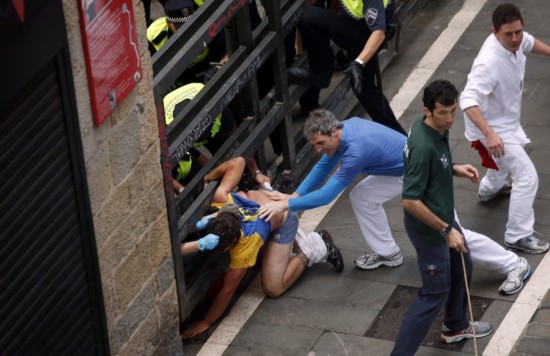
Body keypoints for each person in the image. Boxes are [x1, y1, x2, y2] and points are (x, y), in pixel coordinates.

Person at [258, 108, 531, 296]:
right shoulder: (343, 130)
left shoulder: (356, 148)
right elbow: (321, 166)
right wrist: (294, 196)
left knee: (452, 232)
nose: (318, 149)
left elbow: (329, 194)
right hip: (404, 171)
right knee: (362, 195)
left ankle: (513, 264)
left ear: (333, 131)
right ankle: (388, 253)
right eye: (314, 145)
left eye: (320, 143)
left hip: (422, 177)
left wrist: (286, 205)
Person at [180, 156, 344, 339]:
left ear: (233, 244)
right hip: (266, 200)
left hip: (284, 219)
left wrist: (206, 321)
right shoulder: (221, 200)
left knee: (273, 287)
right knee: (260, 261)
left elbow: (228, 290)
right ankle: (280, 247)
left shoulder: (245, 246)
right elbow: (238, 162)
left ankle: (314, 246)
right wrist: (207, 178)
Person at [391, 80, 493, 355]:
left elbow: (437, 165)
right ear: (427, 111)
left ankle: (455, 326)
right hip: (431, 229)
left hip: (444, 217)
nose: (450, 119)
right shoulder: (422, 146)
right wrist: (447, 231)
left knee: (463, 264)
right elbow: (410, 200)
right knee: (434, 295)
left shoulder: (436, 128)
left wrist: (455, 168)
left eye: (452, 111)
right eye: (443, 113)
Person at [460, 3, 550, 254]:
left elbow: (529, 42)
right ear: (494, 32)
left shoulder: (518, 39)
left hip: (506, 121)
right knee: (526, 175)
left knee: (502, 163)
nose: (515, 39)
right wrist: (490, 134)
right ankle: (517, 235)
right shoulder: (488, 63)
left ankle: (488, 191)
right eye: (508, 35)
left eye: (518, 32)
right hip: (492, 127)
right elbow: (467, 99)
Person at [287, 0, 406, 135]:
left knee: (311, 17)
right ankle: (400, 138)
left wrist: (358, 63)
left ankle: (401, 140)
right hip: (354, 25)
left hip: (369, 38)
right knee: (364, 89)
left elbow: (378, 33)